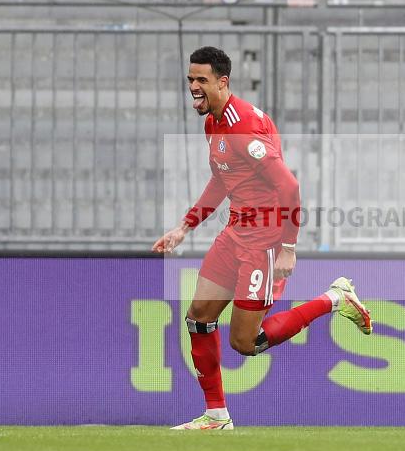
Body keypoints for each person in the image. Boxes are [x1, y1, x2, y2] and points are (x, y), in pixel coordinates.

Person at [153, 46, 371, 430]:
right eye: (190, 80)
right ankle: (216, 416)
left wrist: (287, 246)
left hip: (264, 240)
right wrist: (185, 227)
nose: (194, 88)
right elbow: (223, 179)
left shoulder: (243, 128)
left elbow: (289, 186)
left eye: (201, 80)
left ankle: (335, 298)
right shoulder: (213, 125)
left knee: (244, 343)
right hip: (236, 230)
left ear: (223, 82)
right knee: (198, 318)